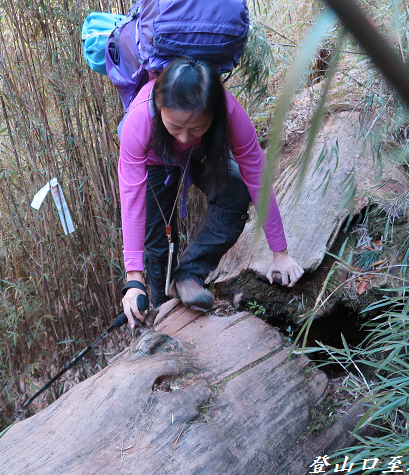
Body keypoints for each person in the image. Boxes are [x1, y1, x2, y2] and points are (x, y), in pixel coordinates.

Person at [118, 58, 303, 327]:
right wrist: (134, 279)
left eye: (196, 127)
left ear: (214, 113)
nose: (184, 137)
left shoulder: (230, 112)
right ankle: (161, 311)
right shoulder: (139, 120)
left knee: (235, 191)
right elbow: (131, 199)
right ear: (159, 108)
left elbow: (257, 179)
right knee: (158, 241)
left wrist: (281, 253)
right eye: (175, 126)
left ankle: (188, 276)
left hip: (204, 152)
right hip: (156, 159)